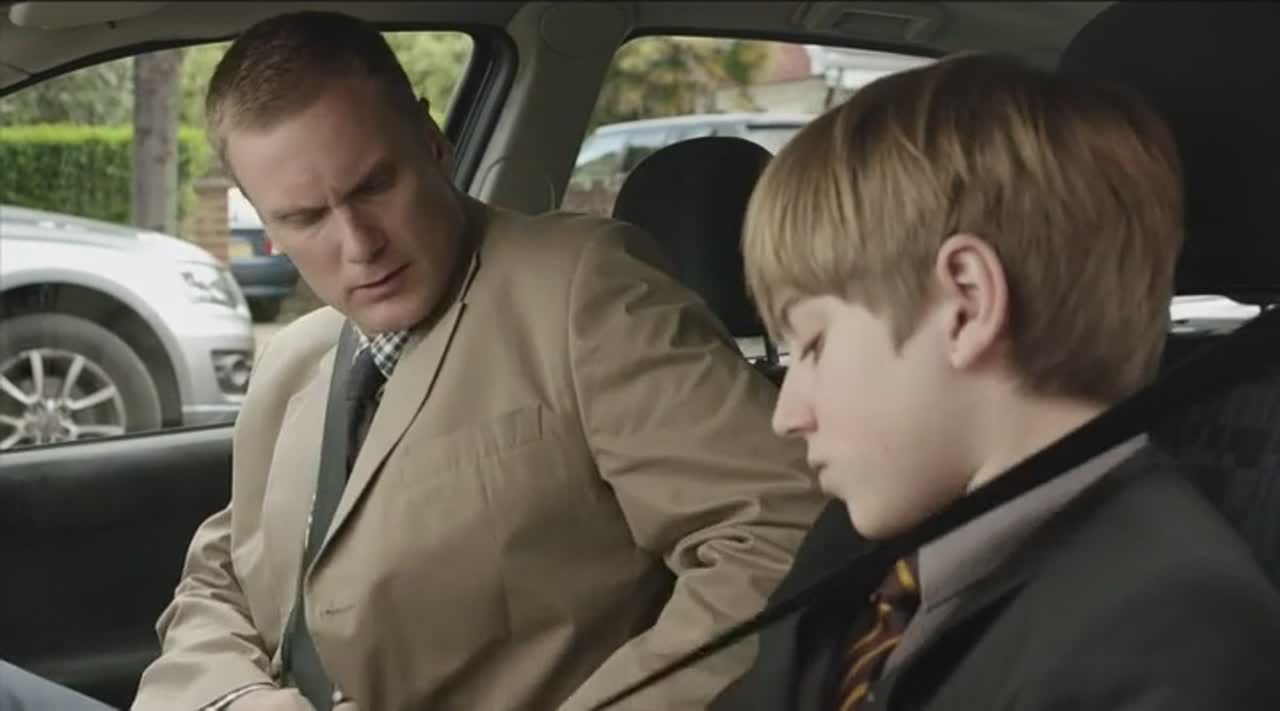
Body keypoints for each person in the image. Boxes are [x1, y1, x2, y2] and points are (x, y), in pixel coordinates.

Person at [130, 10, 824, 711]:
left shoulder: (581, 293)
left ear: (432, 140)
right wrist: (240, 698)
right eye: (306, 217)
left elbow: (781, 531)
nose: (359, 244)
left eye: (374, 186)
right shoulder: (291, 362)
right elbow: (220, 577)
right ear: (267, 225)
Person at [710, 52, 1280, 710]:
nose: (788, 415)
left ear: (967, 304)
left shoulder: (1175, 642)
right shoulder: (852, 546)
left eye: (814, 344)